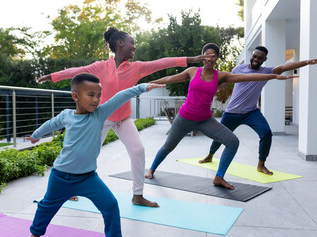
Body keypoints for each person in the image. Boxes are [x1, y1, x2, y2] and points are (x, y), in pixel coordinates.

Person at [37, 27, 211, 207]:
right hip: (101, 118)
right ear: (120, 43)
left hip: (124, 119)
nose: (134, 47)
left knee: (138, 151)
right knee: (84, 152)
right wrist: (53, 76)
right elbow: (77, 71)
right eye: (132, 43)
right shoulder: (100, 67)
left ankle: (137, 195)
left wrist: (193, 59)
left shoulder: (137, 68)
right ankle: (70, 188)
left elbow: (163, 62)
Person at [26, 73, 164, 237]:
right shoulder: (66, 115)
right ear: (75, 96)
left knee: (111, 205)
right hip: (61, 176)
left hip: (87, 178)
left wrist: (142, 87)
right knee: (47, 206)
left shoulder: (100, 114)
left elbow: (120, 96)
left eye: (98, 95)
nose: (96, 100)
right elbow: (51, 124)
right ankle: (35, 234)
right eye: (91, 95)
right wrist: (36, 135)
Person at [144, 43, 297, 190]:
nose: (209, 59)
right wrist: (144, 85)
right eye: (206, 55)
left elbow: (248, 77)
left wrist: (273, 76)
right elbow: (170, 79)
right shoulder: (192, 71)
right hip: (184, 118)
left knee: (232, 142)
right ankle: (151, 169)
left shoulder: (221, 76)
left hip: (205, 120)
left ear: (217, 58)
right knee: (168, 147)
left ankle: (219, 177)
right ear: (202, 57)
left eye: (213, 56)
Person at [200, 46, 317, 175]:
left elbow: (284, 67)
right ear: (251, 55)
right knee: (219, 135)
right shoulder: (238, 69)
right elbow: (225, 83)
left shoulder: (267, 72)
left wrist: (306, 62)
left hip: (251, 112)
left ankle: (261, 165)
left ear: (264, 59)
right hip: (232, 112)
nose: (256, 59)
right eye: (254, 56)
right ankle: (210, 155)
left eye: (260, 58)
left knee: (266, 133)